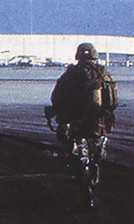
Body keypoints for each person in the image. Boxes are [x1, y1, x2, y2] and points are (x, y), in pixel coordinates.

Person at [47, 43, 117, 207]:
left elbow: (57, 97)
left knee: (79, 154)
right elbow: (112, 100)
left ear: (78, 56)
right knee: (97, 155)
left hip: (77, 121)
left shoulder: (71, 74)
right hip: (98, 122)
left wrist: (60, 115)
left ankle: (87, 188)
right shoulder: (103, 74)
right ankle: (95, 181)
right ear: (95, 56)